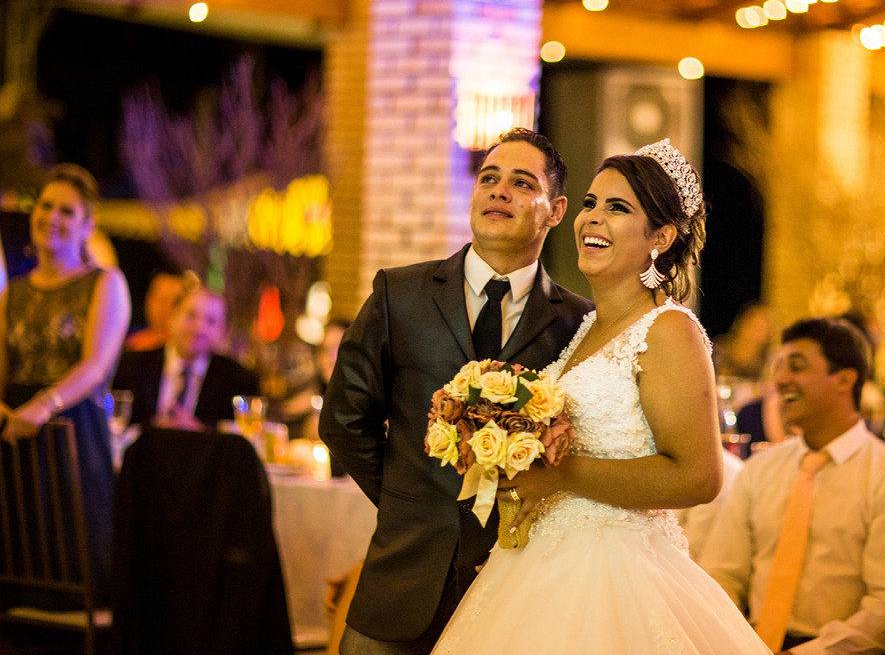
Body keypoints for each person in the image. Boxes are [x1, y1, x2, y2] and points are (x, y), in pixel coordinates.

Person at [431, 141, 771, 654]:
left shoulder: (668, 331)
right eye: (590, 203)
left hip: (616, 573)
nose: (593, 218)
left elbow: (699, 476)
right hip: (537, 563)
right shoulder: (584, 326)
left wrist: (560, 474)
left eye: (618, 208)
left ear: (661, 236)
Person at [320, 128, 592, 655]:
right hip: (400, 577)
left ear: (555, 210)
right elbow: (343, 421)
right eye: (488, 178)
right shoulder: (399, 294)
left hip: (516, 584)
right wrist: (407, 499)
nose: (498, 191)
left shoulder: (577, 323)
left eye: (520, 182)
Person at [702, 317, 885, 654]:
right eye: (778, 367)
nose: (780, 380)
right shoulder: (760, 470)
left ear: (845, 379)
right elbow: (722, 574)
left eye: (797, 367)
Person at [0, 164, 132, 599]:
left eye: (66, 210)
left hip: (73, 436)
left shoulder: (105, 284)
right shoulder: (11, 293)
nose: (51, 216)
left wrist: (44, 404)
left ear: (87, 226)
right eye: (45, 205)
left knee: (73, 576)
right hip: (14, 441)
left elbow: (96, 366)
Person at [116, 283, 260, 430]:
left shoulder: (239, 381)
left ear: (223, 331)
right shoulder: (130, 366)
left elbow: (240, 441)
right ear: (172, 317)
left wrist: (199, 432)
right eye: (191, 316)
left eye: (211, 321)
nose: (198, 328)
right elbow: (113, 424)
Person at [124, 270, 184, 351]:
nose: (165, 307)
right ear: (149, 299)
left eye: (173, 302)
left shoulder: (180, 350)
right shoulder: (128, 340)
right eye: (162, 300)